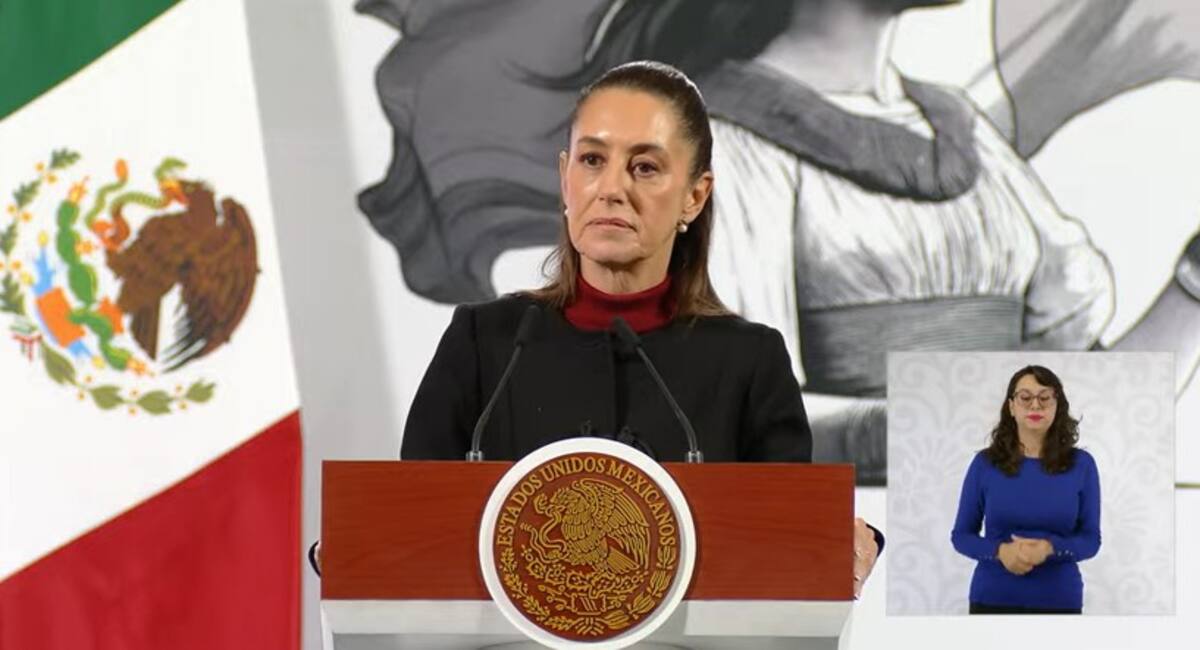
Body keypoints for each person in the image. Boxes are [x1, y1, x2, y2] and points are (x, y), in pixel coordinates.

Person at [399, 60, 881, 594]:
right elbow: (411, 525)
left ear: (694, 197)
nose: (610, 189)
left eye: (645, 167)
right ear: (565, 179)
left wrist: (843, 542)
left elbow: (785, 544)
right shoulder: (485, 343)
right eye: (591, 160)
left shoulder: (750, 362)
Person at [950, 365, 1101, 614]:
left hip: (1060, 601)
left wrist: (1050, 548)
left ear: (1057, 405)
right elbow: (961, 536)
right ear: (1011, 406)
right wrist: (1000, 551)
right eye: (1025, 397)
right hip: (992, 600)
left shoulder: (1082, 465)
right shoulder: (985, 464)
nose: (1035, 406)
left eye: (1044, 398)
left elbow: (1091, 540)